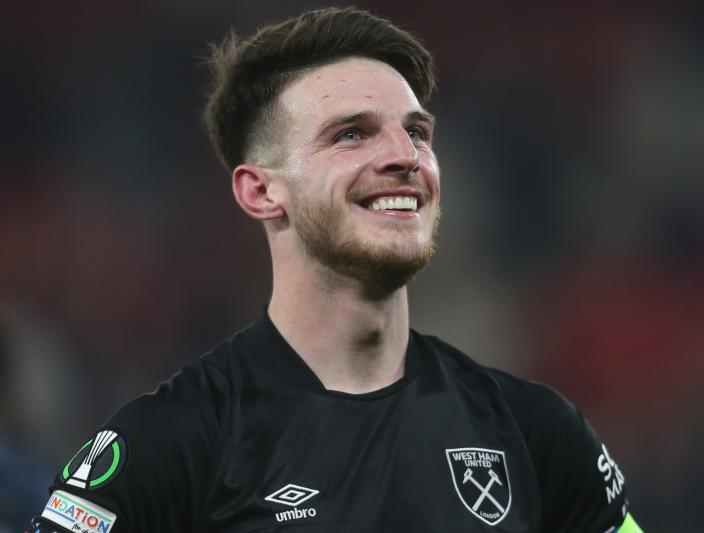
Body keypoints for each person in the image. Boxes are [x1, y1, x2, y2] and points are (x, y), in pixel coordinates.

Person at [29, 7, 642, 533]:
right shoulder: (173, 442)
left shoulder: (537, 433)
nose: (405, 157)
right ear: (260, 192)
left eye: (417, 133)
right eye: (352, 135)